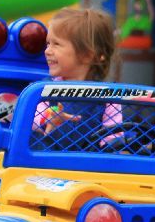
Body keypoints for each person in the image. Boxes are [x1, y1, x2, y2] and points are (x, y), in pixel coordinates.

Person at [36, 7, 119, 138]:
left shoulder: (109, 97)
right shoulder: (46, 89)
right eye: (48, 43)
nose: (47, 51)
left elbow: (113, 139)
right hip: (49, 157)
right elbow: (32, 117)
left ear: (88, 55)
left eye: (56, 44)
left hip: (91, 158)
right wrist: (47, 118)